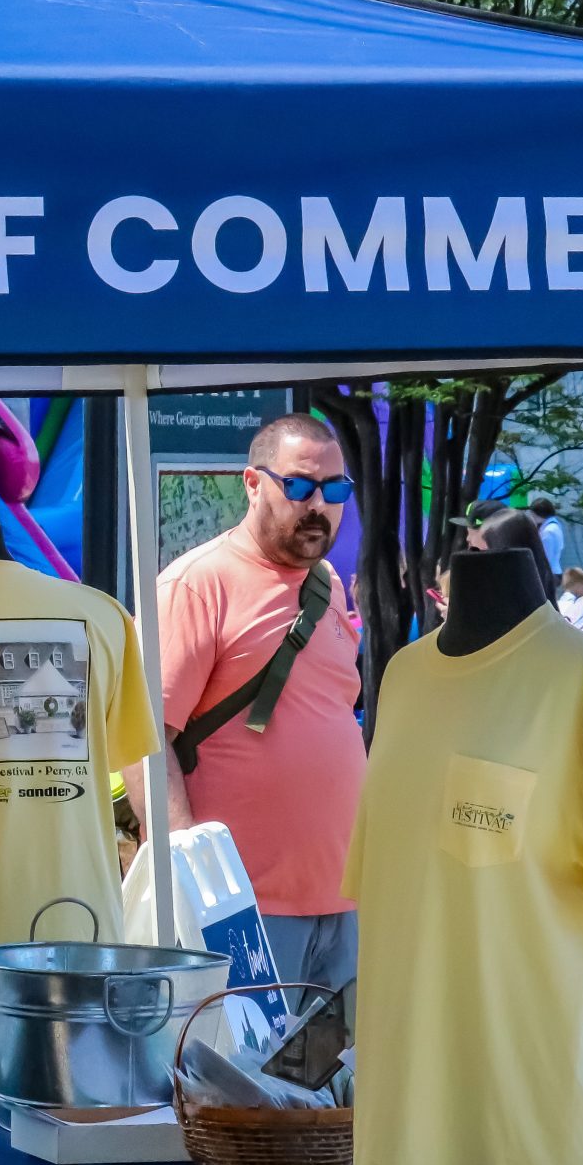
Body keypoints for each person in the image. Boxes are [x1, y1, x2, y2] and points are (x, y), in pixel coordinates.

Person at [149, 414, 366, 995]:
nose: (318, 503)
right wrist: (194, 880)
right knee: (241, 1083)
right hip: (240, 910)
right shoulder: (198, 585)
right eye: (298, 485)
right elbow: (145, 740)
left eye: (335, 489)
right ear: (252, 483)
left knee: (342, 1084)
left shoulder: (327, 586)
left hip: (345, 898)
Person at [528, 495, 568, 575]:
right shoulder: (554, 526)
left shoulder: (547, 532)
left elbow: (545, 559)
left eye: (532, 514)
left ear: (539, 514)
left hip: (549, 574)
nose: (531, 517)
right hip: (554, 571)